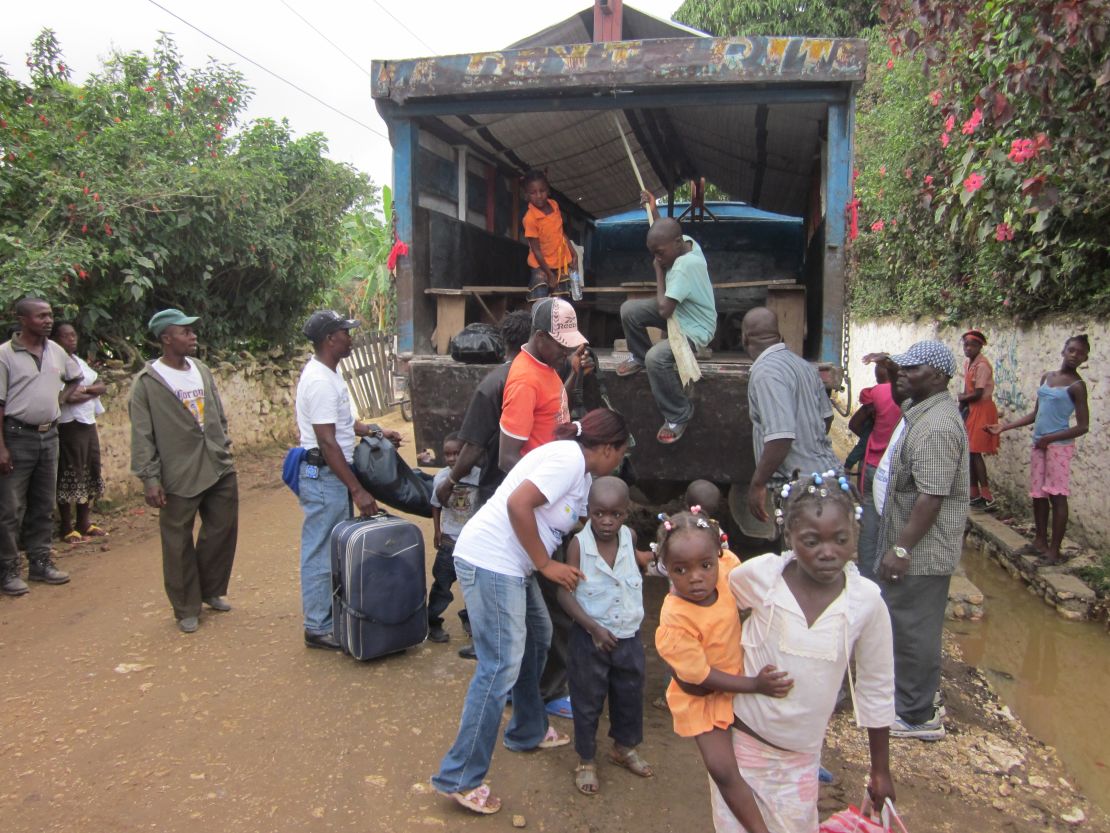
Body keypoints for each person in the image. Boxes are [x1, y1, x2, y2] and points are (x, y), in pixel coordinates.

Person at [431, 408, 630, 815]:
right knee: (499, 666)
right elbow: (519, 505)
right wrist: (546, 564)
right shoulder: (567, 460)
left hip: (512, 565)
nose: (622, 461)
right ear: (608, 448)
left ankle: (527, 729)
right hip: (491, 561)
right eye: (623, 452)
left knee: (538, 637)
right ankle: (460, 777)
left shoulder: (583, 473)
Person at [705, 473, 896, 833]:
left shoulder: (865, 601)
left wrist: (880, 769)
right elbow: (714, 614)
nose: (828, 552)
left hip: (801, 758)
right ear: (789, 537)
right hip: (743, 744)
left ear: (855, 535)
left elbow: (877, 684)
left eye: (841, 540)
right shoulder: (760, 578)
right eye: (811, 541)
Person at [653, 509, 791, 833]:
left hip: (740, 676)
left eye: (705, 565)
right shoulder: (675, 618)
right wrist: (755, 684)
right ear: (666, 569)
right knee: (722, 769)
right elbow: (701, 678)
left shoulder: (728, 571)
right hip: (704, 697)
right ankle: (758, 828)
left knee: (763, 745)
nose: (696, 576)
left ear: (718, 556)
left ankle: (794, 775)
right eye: (681, 569)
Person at [497, 298, 589, 716]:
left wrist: (570, 382)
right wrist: (546, 495)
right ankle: (546, 693)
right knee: (554, 608)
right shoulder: (524, 381)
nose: (567, 350)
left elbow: (547, 416)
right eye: (561, 344)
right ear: (538, 338)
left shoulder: (547, 369)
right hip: (538, 512)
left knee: (551, 607)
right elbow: (507, 457)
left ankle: (539, 688)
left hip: (550, 502)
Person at [875, 340, 968, 741]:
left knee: (914, 628)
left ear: (939, 376)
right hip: (913, 546)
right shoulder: (922, 411)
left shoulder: (937, 427)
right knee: (907, 623)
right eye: (902, 367)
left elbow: (931, 497)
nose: (903, 373)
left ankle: (917, 715)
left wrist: (901, 548)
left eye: (913, 369)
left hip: (922, 552)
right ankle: (916, 696)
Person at [294, 310, 403, 650]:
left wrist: (376, 430)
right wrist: (357, 490)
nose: (351, 338)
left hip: (330, 475)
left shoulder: (330, 375)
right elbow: (327, 441)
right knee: (321, 550)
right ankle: (317, 625)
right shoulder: (319, 381)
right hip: (325, 476)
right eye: (345, 332)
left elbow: (344, 424)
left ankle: (328, 617)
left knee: (332, 547)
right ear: (330, 339)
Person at [129, 309, 238, 633]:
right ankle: (185, 606)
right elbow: (142, 434)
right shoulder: (147, 383)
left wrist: (223, 443)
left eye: (192, 331)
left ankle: (210, 589)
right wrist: (150, 478)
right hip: (177, 471)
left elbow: (216, 411)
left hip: (216, 463)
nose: (193, 336)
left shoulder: (201, 369)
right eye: (185, 332)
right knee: (177, 541)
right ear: (166, 338)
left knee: (222, 530)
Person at [436, 310, 532, 659]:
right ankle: (520, 640)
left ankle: (488, 643)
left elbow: (474, 446)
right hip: (534, 489)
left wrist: (451, 479)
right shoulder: (546, 377)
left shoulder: (494, 383)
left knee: (491, 566)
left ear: (503, 343)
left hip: (497, 487)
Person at [557, 476, 654, 796]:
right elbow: (564, 595)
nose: (607, 521)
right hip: (590, 639)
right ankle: (586, 760)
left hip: (627, 636)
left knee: (629, 695)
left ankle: (623, 748)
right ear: (588, 511)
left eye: (616, 514)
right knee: (587, 701)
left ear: (626, 513)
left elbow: (640, 566)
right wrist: (593, 628)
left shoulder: (630, 537)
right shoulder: (578, 545)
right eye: (599, 513)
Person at [616, 197, 717, 444]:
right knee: (629, 309)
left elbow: (664, 310)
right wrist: (653, 209)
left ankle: (678, 413)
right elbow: (664, 231)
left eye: (659, 254)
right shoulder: (688, 242)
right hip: (678, 311)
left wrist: (659, 271)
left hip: (694, 327)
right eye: (654, 254)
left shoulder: (683, 266)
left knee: (656, 358)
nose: (658, 258)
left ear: (676, 244)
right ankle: (638, 355)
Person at [0, 298, 82, 596]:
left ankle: (41, 563)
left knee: (43, 504)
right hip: (16, 436)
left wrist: (58, 401)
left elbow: (76, 378)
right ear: (22, 319)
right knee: (10, 508)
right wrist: (2, 447)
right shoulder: (5, 355)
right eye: (41, 316)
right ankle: (8, 570)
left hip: (49, 437)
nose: (48, 321)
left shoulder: (56, 351)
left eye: (50, 315)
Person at [988, 334, 1090, 566]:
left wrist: (1051, 438)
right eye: (1072, 350)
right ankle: (1040, 542)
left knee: (1057, 495)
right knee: (1038, 495)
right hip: (1040, 444)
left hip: (1058, 447)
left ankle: (1055, 551)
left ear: (1085, 358)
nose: (1075, 355)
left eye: (1080, 353)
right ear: (1063, 350)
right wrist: (1004, 427)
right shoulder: (1048, 377)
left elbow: (1083, 426)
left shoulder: (1077, 386)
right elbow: (1036, 413)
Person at [741, 306, 840, 526]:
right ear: (780, 336)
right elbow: (827, 417)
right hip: (828, 475)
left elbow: (780, 436)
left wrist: (757, 484)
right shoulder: (804, 366)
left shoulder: (765, 372)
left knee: (805, 552)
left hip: (802, 488)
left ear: (745, 338)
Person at [53, 322, 107, 543]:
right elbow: (66, 397)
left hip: (87, 421)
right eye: (66, 336)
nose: (71, 339)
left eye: (74, 335)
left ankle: (84, 521)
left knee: (90, 469)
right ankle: (66, 525)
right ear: (56, 340)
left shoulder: (79, 362)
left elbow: (101, 386)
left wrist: (84, 390)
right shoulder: (54, 363)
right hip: (69, 423)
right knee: (70, 471)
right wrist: (90, 392)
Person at [853, 354, 904, 580]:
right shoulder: (909, 399)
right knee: (896, 521)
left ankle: (866, 576)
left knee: (869, 523)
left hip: (873, 464)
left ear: (877, 374)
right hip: (898, 468)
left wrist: (870, 436)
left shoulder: (874, 394)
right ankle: (890, 570)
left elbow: (855, 424)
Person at [427, 433, 480, 643]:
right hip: (450, 541)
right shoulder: (441, 477)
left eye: (457, 453)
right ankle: (432, 622)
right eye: (447, 454)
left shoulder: (479, 476)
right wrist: (437, 531)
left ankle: (469, 619)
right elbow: (435, 505)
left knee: (474, 586)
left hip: (474, 542)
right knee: (442, 584)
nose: (451, 459)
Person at [521, 169, 578, 301]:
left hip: (559, 263)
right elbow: (536, 250)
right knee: (540, 291)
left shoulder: (554, 206)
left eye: (542, 191)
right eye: (533, 193)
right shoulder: (530, 218)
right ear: (527, 196)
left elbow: (561, 233)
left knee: (562, 299)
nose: (539, 195)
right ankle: (538, 320)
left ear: (548, 190)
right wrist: (549, 274)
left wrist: (573, 253)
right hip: (541, 265)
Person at [958, 330, 1000, 508]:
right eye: (965, 345)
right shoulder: (969, 363)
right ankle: (974, 492)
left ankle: (986, 494)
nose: (967, 348)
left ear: (979, 347)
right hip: (972, 409)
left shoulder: (982, 365)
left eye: (971, 345)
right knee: (970, 451)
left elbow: (978, 392)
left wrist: (962, 399)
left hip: (981, 410)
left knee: (975, 452)